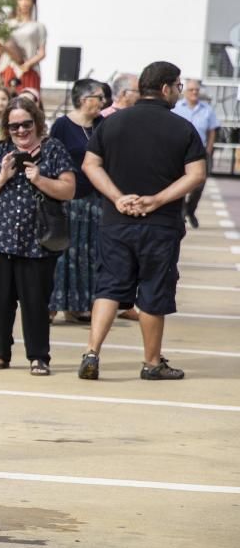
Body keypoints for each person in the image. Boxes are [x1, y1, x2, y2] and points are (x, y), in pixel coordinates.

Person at [79, 61, 206, 381]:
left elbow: (90, 165)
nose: (179, 91)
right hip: (160, 224)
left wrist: (118, 197)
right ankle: (151, 362)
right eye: (178, 86)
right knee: (153, 292)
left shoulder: (113, 123)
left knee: (109, 288)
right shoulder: (182, 128)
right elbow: (197, 174)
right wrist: (158, 199)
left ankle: (92, 353)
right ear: (165, 88)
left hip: (116, 220)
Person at [0, 95, 75, 376]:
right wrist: (3, 176)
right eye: (14, 126)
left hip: (38, 241)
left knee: (36, 302)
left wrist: (39, 179)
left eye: (26, 124)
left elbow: (69, 190)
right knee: (1, 300)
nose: (20, 131)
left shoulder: (54, 150)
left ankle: (39, 356)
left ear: (37, 122)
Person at [48, 79, 106, 323]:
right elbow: (51, 158)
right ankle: (52, 304)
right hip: (68, 199)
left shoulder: (103, 125)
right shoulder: (62, 125)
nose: (104, 102)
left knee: (88, 254)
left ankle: (79, 305)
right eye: (99, 97)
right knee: (62, 253)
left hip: (95, 201)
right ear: (84, 100)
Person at [172, 79, 219, 228]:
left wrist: (209, 149)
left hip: (200, 151)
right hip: (180, 151)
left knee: (199, 183)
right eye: (191, 90)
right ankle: (180, 211)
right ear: (185, 92)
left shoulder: (206, 109)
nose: (194, 93)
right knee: (180, 181)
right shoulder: (177, 108)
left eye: (196, 90)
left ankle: (190, 209)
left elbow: (212, 130)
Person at [0, 0, 47, 91]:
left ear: (32, 2)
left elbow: (42, 53)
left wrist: (27, 64)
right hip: (9, 66)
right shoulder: (7, 24)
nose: (24, 3)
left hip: (29, 69)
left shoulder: (38, 26)